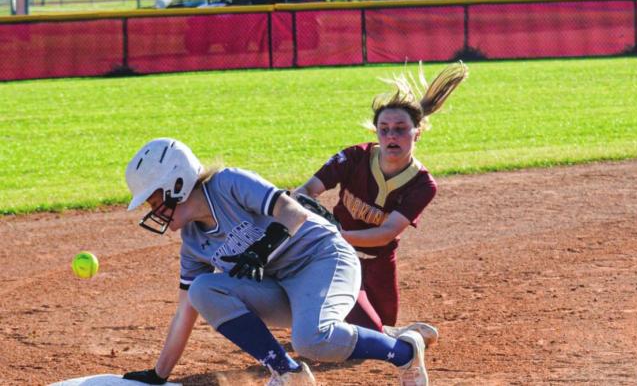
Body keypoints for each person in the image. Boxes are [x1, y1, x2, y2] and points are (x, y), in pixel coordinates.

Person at [120, 138, 430, 386]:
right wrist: (158, 375)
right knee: (202, 289)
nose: (153, 212)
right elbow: (184, 312)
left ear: (176, 184)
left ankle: (405, 351)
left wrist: (262, 249)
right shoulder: (193, 243)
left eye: (154, 201)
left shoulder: (227, 184)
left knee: (312, 341)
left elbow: (293, 211)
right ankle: (287, 372)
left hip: (323, 259)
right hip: (281, 287)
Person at [293, 62, 468, 340]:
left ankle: (349, 322)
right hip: (338, 257)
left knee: (382, 325)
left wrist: (337, 234)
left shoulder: (422, 185)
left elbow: (386, 233)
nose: (391, 136)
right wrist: (316, 225)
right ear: (376, 132)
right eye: (384, 129)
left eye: (400, 128)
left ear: (417, 132)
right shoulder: (354, 157)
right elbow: (305, 191)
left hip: (380, 261)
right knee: (370, 333)